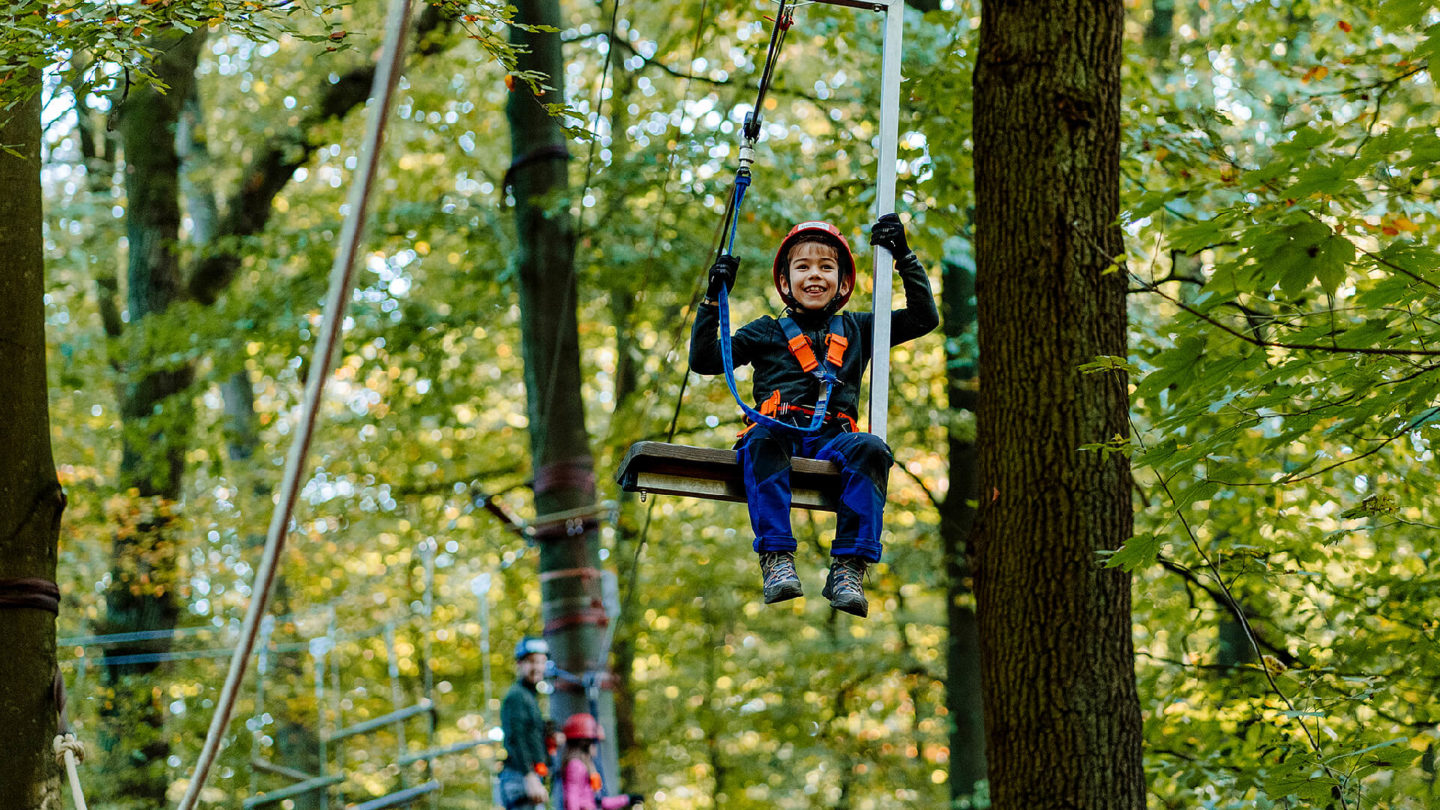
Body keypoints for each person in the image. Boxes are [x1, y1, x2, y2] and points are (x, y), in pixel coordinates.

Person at [689, 214, 938, 618]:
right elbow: (705, 360)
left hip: (834, 438)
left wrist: (903, 256)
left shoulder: (860, 328)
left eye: (826, 267)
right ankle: (776, 557)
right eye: (802, 267)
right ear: (785, 283)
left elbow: (923, 317)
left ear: (842, 283)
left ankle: (849, 567)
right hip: (779, 434)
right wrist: (712, 298)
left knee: (872, 448)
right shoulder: (765, 332)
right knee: (760, 441)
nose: (814, 276)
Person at [498, 636, 552, 809]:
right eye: (531, 662)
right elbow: (515, 738)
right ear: (519, 664)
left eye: (541, 662)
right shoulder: (517, 696)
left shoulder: (529, 696)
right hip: (520, 777)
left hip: (529, 776)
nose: (537, 667)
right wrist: (529, 776)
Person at [557, 713, 643, 810]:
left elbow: (599, 802)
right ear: (585, 744)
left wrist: (627, 799)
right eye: (595, 743)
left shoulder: (586, 766)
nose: (596, 748)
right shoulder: (576, 766)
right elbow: (572, 798)